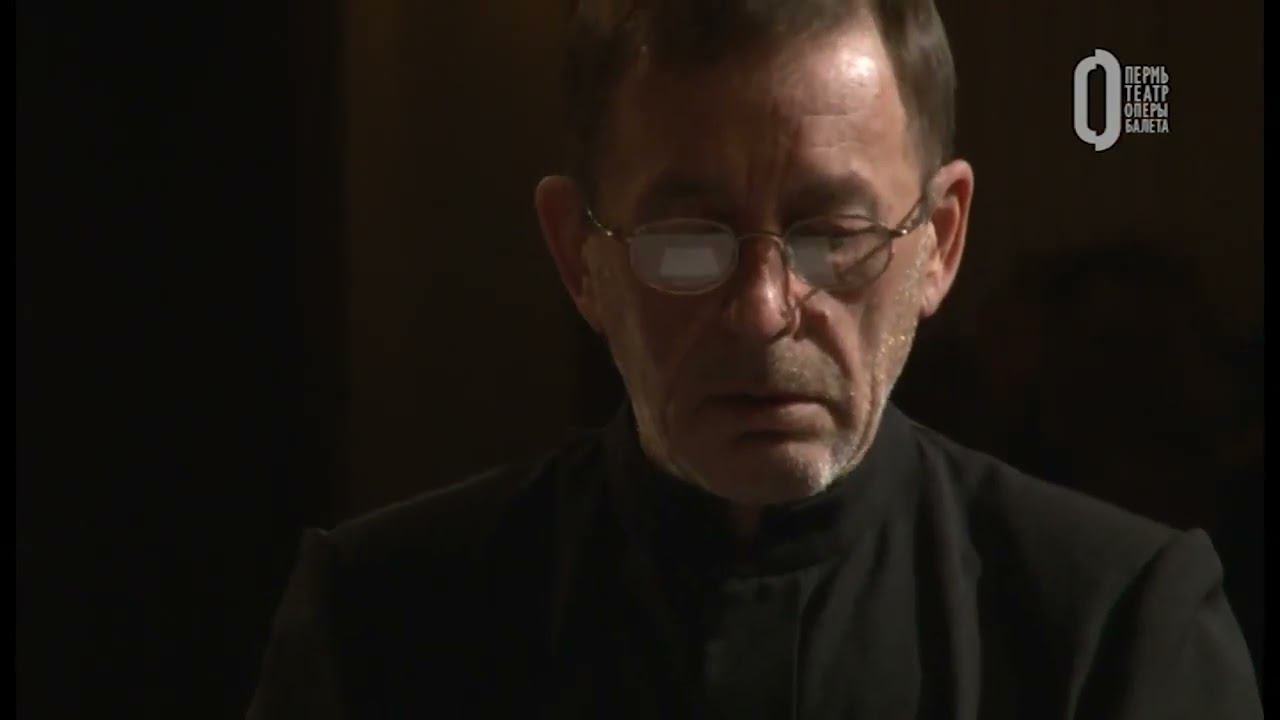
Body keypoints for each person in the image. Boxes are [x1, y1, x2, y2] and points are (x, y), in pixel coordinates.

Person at [247, 0, 1262, 717]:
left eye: (833, 237)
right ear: (579, 256)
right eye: (687, 242)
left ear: (940, 242)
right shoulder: (378, 626)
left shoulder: (1115, 631)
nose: (763, 311)